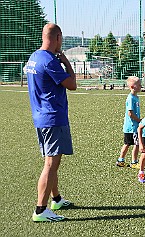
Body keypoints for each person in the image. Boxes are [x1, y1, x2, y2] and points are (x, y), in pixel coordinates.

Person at [26, 23, 77, 222]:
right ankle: (40, 210)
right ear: (58, 38)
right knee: (50, 164)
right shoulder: (50, 60)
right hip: (53, 117)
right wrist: (66, 62)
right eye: (61, 39)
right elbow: (72, 84)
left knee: (51, 162)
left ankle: (56, 199)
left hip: (40, 116)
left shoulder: (34, 57)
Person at [116, 76, 142, 168]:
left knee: (127, 144)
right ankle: (134, 162)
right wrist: (139, 120)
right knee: (136, 144)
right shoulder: (131, 98)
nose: (141, 86)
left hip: (131, 126)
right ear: (132, 87)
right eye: (139, 85)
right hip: (132, 127)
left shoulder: (136, 97)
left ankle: (120, 160)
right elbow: (130, 113)